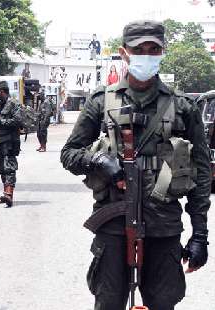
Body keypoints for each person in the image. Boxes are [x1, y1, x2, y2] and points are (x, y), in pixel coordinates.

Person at [61, 21, 210, 310]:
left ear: (162, 51)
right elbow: (69, 153)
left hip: (163, 225)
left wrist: (200, 235)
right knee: (108, 302)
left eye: (153, 49)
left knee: (163, 303)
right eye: (138, 49)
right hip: (113, 223)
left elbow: (201, 172)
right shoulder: (101, 102)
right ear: (123, 52)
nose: (146, 55)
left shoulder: (182, 107)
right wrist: (100, 160)